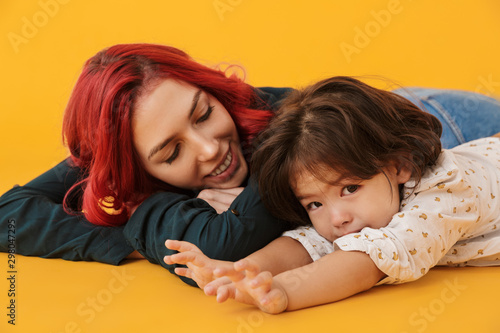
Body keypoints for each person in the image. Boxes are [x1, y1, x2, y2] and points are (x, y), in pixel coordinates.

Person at [1, 43, 499, 286]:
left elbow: (228, 242)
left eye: (204, 113)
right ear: (134, 171)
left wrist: (165, 222)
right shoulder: (129, 161)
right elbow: (8, 213)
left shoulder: (280, 124)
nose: (209, 149)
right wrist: (140, 225)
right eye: (171, 153)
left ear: (215, 92)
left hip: (447, 124)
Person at [164, 76, 500, 313]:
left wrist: (283, 290)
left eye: (350, 188)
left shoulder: (444, 195)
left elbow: (368, 261)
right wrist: (242, 271)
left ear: (399, 166)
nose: (337, 217)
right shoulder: (364, 203)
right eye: (314, 203)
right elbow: (310, 240)